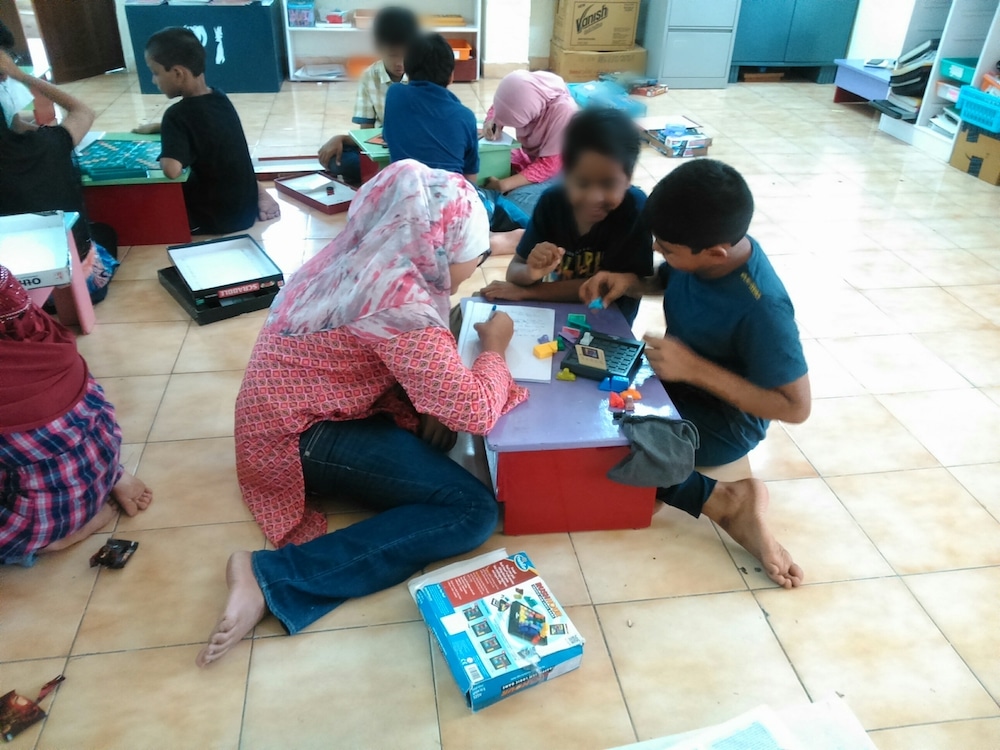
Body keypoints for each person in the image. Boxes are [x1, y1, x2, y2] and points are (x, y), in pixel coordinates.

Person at [196, 161, 527, 666]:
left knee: (434, 447)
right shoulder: (402, 302)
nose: (473, 266)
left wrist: (430, 398)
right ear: (440, 244)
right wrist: (496, 348)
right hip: (300, 434)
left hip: (287, 408)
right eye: (475, 255)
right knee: (472, 510)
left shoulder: (370, 248)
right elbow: (474, 409)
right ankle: (272, 576)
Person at [580, 159, 810, 589]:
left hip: (723, 422)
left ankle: (727, 501)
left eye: (666, 247)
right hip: (676, 384)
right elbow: (671, 276)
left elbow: (796, 407)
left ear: (715, 253)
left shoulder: (763, 308)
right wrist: (629, 281)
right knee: (586, 397)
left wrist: (694, 369)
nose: (657, 252)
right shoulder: (707, 251)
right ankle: (671, 482)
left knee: (607, 442)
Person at [0, 265, 152, 566]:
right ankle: (113, 478)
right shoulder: (51, 342)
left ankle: (55, 540)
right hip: (100, 468)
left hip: (45, 517)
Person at [481, 108, 653, 324]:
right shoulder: (552, 202)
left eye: (609, 184)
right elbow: (515, 271)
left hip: (610, 326)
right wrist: (532, 271)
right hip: (555, 320)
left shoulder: (634, 210)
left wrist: (530, 291)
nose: (594, 197)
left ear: (628, 180)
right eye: (582, 182)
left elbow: (613, 285)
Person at [0, 50, 120, 304]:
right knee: (103, 233)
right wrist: (22, 76)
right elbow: (83, 111)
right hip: (67, 292)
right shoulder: (46, 147)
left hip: (7, 297)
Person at [383, 32, 529, 235]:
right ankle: (516, 237)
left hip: (404, 204)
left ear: (407, 70)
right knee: (517, 216)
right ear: (452, 76)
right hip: (451, 209)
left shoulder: (394, 95)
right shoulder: (465, 116)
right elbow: (469, 180)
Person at [138, 27, 280, 234]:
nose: (154, 81)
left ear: (177, 73)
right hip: (243, 210)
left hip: (214, 218)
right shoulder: (219, 97)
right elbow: (207, 132)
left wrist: (168, 139)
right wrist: (161, 128)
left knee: (151, 199)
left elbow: (171, 170)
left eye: (156, 73)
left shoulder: (176, 115)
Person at [317, 6, 418, 186]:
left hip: (417, 148)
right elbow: (366, 135)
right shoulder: (369, 76)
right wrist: (341, 139)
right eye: (393, 55)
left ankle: (384, 177)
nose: (400, 63)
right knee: (338, 159)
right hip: (382, 149)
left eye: (406, 55)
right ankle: (391, 176)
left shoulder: (421, 74)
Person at [481, 70, 577, 216]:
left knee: (516, 200)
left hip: (564, 170)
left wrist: (503, 185)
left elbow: (550, 165)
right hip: (536, 157)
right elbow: (501, 105)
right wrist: (493, 122)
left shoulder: (564, 112)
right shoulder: (526, 87)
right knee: (499, 162)